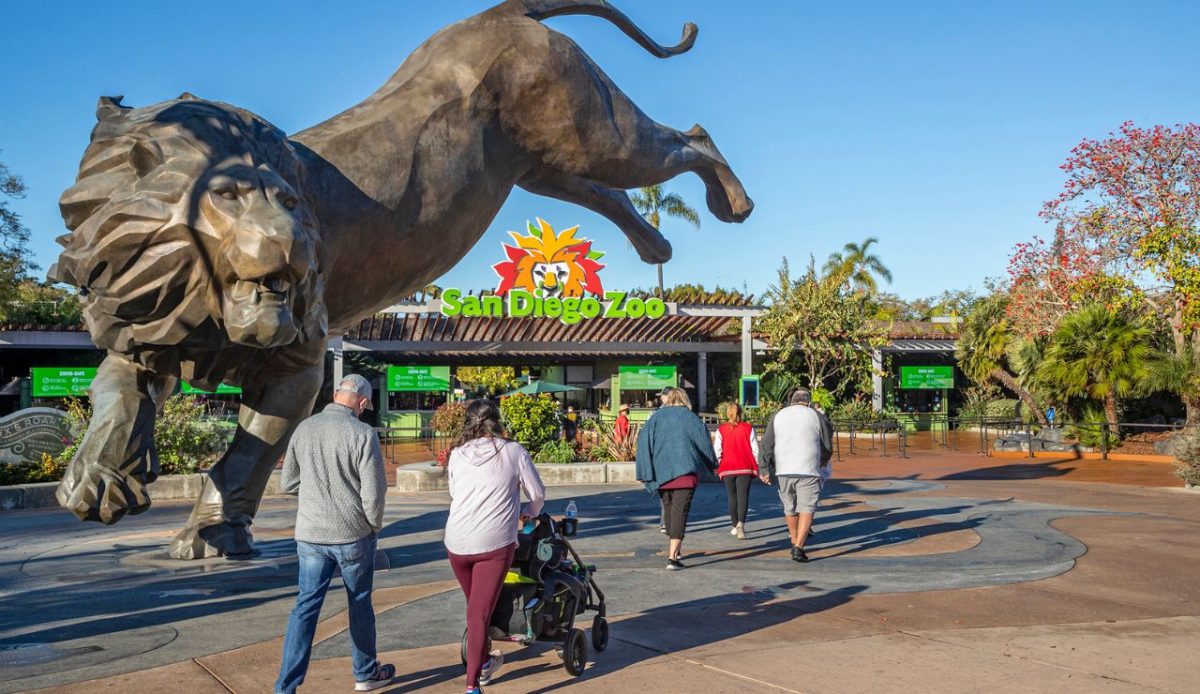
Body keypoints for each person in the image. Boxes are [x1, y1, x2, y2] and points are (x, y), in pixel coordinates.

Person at [276, 374, 395, 693]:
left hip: (311, 536)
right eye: (365, 406)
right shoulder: (363, 433)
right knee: (359, 603)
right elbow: (374, 493)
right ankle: (365, 674)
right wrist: (373, 526)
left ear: (334, 394)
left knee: (305, 607)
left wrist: (317, 492)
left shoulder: (305, 428)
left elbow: (286, 483)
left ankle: (286, 687)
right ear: (362, 402)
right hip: (352, 534)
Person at [444, 399, 546, 694]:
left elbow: (455, 492)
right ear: (496, 420)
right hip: (494, 543)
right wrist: (530, 513)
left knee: (476, 608)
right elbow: (537, 493)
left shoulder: (457, 454)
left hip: (456, 543)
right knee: (478, 614)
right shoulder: (513, 451)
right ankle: (473, 684)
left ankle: (485, 659)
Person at [636, 387, 717, 570]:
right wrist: (712, 463)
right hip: (685, 474)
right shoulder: (690, 418)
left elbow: (644, 442)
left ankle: (675, 547)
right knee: (680, 513)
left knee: (670, 511)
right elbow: (704, 442)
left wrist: (644, 471)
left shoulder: (656, 418)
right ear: (685, 399)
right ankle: (673, 558)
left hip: (662, 474)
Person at [759, 388, 832, 563]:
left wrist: (764, 469)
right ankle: (799, 546)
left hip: (784, 468)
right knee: (807, 507)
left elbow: (767, 444)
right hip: (808, 468)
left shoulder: (778, 415)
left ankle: (793, 539)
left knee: (789, 507)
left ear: (791, 400)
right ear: (807, 401)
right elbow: (827, 441)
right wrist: (823, 459)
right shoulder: (815, 415)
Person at [712, 402, 760, 540]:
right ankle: (741, 524)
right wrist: (756, 464)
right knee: (743, 496)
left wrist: (720, 463)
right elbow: (755, 449)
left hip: (728, 467)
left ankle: (734, 525)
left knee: (732, 496)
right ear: (740, 412)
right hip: (745, 466)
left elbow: (717, 450)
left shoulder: (721, 429)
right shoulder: (748, 428)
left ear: (728, 413)